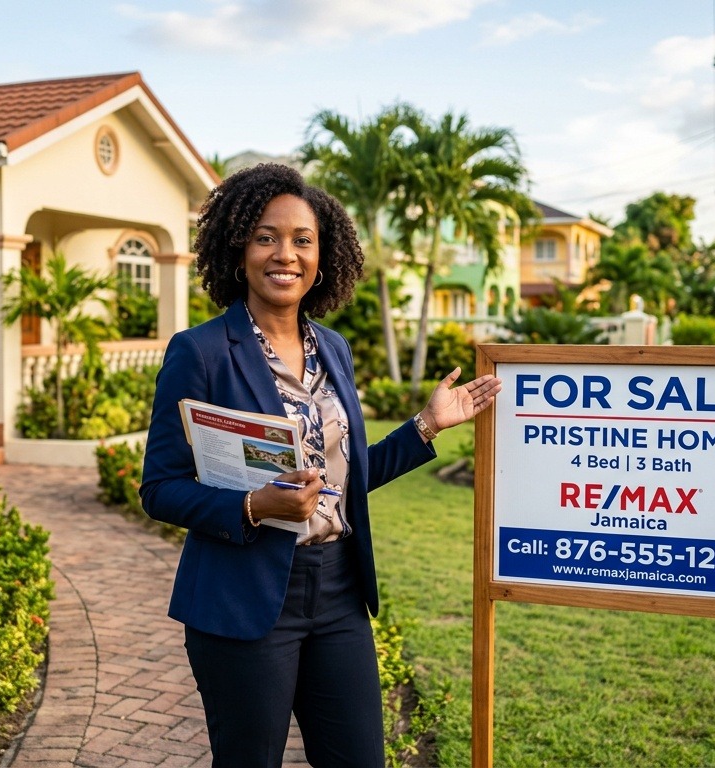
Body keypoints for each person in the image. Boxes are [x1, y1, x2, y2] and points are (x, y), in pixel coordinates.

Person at [140, 163, 501, 767]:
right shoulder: (200, 352)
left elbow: (345, 479)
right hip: (245, 596)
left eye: (302, 240)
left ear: (322, 256)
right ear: (239, 251)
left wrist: (427, 424)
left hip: (337, 592)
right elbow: (159, 488)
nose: (285, 254)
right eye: (266, 237)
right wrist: (254, 506)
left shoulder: (334, 349)